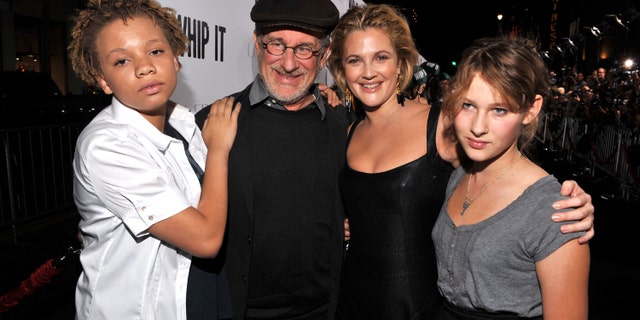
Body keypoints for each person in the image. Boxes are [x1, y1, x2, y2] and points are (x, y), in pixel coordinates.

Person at [326, 4, 594, 319]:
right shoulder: (347, 131)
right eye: (355, 60)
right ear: (342, 69)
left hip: (418, 309)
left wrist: (570, 200)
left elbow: (506, 167)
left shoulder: (442, 125)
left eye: (381, 57)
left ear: (401, 64)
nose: (368, 71)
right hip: (351, 299)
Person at [68, 0, 239, 318]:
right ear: (103, 79)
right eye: (121, 61)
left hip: (198, 294)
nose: (144, 67)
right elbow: (205, 239)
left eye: (155, 51)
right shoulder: (106, 145)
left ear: (175, 57)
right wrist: (218, 151)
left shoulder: (183, 122)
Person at [194, 0, 350, 319]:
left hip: (323, 310)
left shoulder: (340, 123)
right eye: (277, 45)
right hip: (240, 310)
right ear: (257, 43)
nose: (289, 63)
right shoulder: (215, 122)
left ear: (324, 55)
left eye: (304, 49)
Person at [432, 36, 590, 319]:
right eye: (468, 105)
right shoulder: (458, 174)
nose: (477, 127)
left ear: (531, 109)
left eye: (499, 110)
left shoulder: (557, 212)